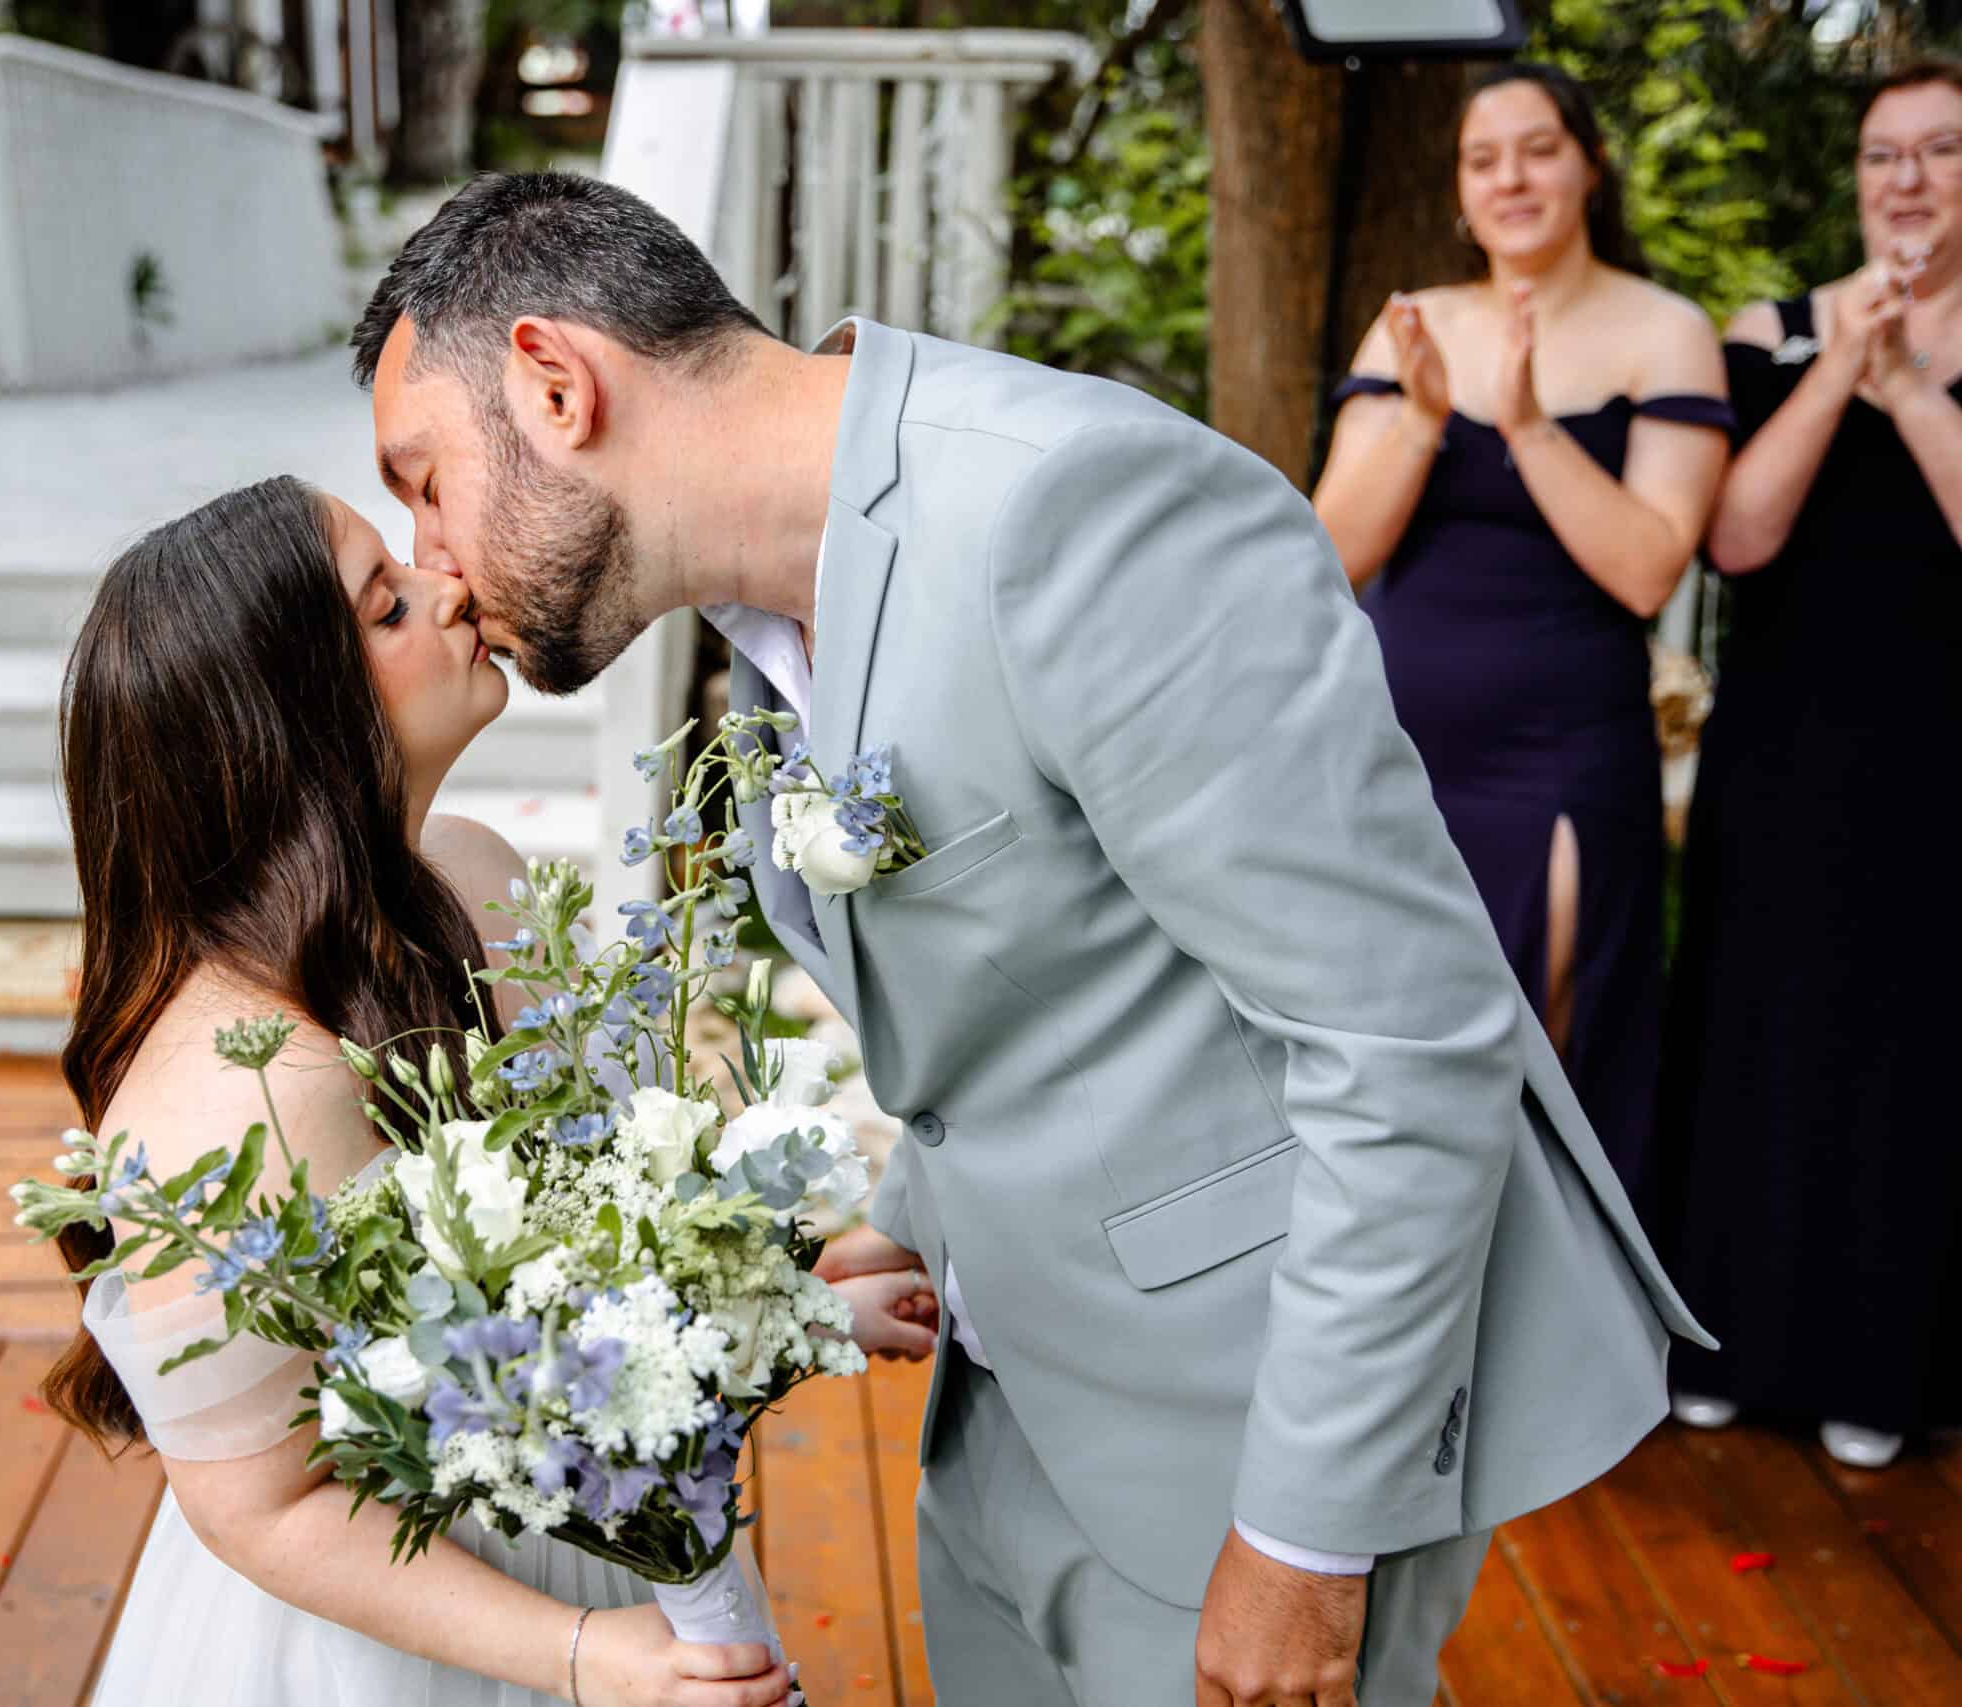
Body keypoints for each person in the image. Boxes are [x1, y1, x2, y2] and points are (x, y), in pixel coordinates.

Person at [354, 170, 1710, 1707]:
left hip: (1244, 1440)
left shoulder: (1078, 510)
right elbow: (1043, 972)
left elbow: (1404, 1045)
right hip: (1006, 1409)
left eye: (426, 480)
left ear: (556, 383)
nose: (431, 555)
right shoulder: (768, 619)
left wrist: (1303, 1536)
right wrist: (914, 1207)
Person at [42, 476, 937, 1705]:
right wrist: (579, 1656)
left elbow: (595, 1244)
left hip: (603, 1549)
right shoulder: (232, 1095)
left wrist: (779, 1299)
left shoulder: (471, 873)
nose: (448, 586)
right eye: (385, 605)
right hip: (414, 1635)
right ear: (290, 718)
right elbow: (261, 1507)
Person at [1311, 63, 1732, 1218]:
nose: (1511, 179)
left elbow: (1648, 566)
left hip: (1563, 754)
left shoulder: (1666, 331)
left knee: (1547, 1042)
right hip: (1403, 748)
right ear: (1458, 190)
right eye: (1482, 159)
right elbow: (1330, 553)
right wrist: (1424, 422)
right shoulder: (1413, 324)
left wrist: (1530, 425)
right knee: (1396, 1041)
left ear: (1589, 165)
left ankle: (1562, 1312)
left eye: (1538, 149)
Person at [1657, 60, 1962, 1472]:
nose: (1908, 181)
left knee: (1910, 1051)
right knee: (1753, 1028)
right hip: (1784, 749)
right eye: (1883, 155)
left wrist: (1909, 390)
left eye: (1941, 152)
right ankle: (1723, 1342)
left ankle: (1874, 1366)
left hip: (1939, 757)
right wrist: (1844, 365)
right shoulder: (1770, 331)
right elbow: (1734, 537)